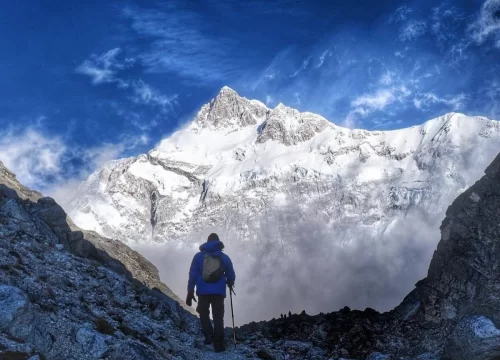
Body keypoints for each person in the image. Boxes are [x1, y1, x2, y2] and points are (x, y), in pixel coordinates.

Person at [186, 233, 236, 353]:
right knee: (218, 317)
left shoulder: (198, 257)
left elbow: (192, 274)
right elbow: (231, 274)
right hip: (218, 292)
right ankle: (218, 344)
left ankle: (209, 337)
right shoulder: (224, 258)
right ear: (218, 243)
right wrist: (230, 282)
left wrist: (190, 291)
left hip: (202, 291)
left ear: (207, 242)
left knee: (203, 313)